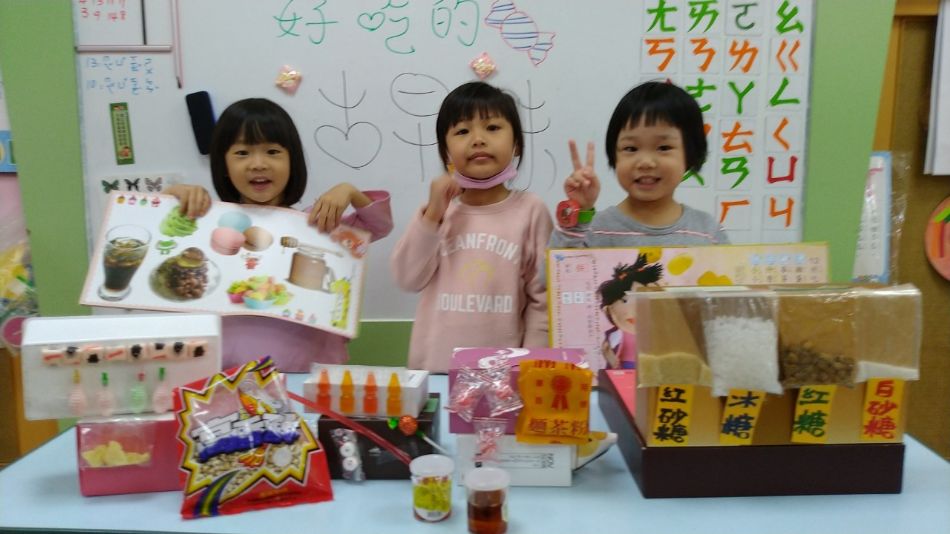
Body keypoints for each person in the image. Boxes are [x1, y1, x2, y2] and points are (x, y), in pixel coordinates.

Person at [166, 97, 393, 372]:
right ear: (223, 164)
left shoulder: (317, 223)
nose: (258, 164)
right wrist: (172, 198)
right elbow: (156, 241)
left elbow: (378, 226)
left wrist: (349, 191)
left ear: (292, 161)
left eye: (272, 151)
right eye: (242, 153)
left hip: (307, 374)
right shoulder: (208, 223)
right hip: (228, 376)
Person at [390, 81, 553, 373]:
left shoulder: (531, 211)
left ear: (516, 143)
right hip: (436, 371)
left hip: (503, 377)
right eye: (462, 131)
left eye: (492, 128)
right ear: (446, 152)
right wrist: (433, 216)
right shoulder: (439, 213)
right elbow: (407, 279)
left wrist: (529, 368)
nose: (478, 139)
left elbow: (542, 302)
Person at [549, 81, 729, 249]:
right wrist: (579, 211)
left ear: (690, 153)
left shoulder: (707, 232)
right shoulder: (594, 230)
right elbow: (551, 271)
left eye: (663, 147)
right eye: (631, 148)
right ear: (614, 155)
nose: (645, 162)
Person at [597, 253, 663, 370]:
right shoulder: (617, 335)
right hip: (625, 369)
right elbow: (607, 350)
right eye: (625, 301)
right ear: (609, 309)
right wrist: (612, 360)